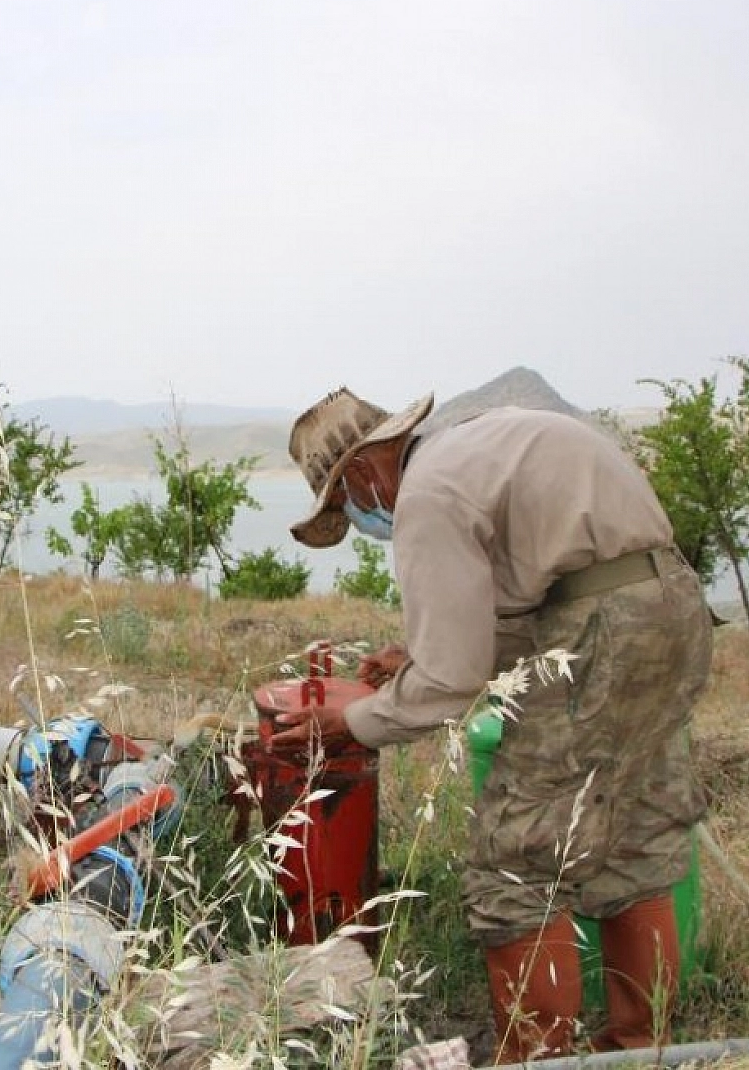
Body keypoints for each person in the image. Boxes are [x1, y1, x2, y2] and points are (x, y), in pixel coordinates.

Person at [267, 387, 711, 1062]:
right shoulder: (475, 445)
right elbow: (540, 600)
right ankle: (638, 1046)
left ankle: (532, 1054)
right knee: (636, 840)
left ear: (361, 473)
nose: (361, 518)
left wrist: (351, 721)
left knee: (517, 862)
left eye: (346, 508)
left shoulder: (428, 496)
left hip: (605, 629)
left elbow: (451, 682)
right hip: (670, 605)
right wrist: (416, 657)